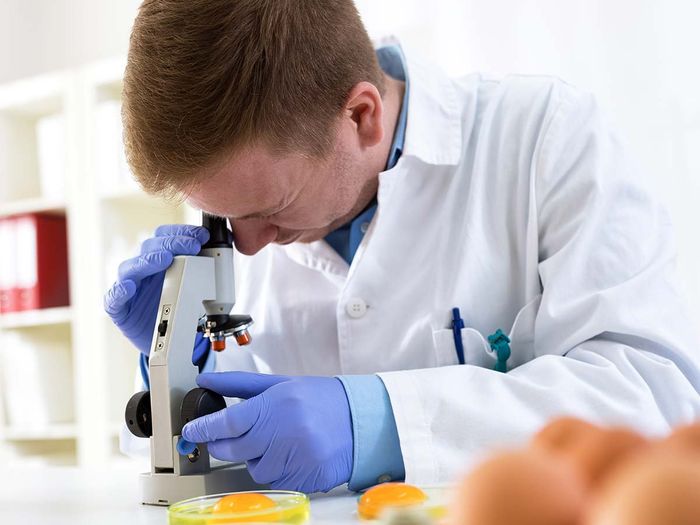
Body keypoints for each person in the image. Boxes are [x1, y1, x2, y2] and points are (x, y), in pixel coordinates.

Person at [104, 0, 700, 494]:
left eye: (268, 211)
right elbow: (239, 427)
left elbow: (653, 394)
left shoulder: (544, 137)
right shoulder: (254, 181)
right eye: (225, 214)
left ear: (362, 116)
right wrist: (180, 367)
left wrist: (382, 421)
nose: (249, 245)